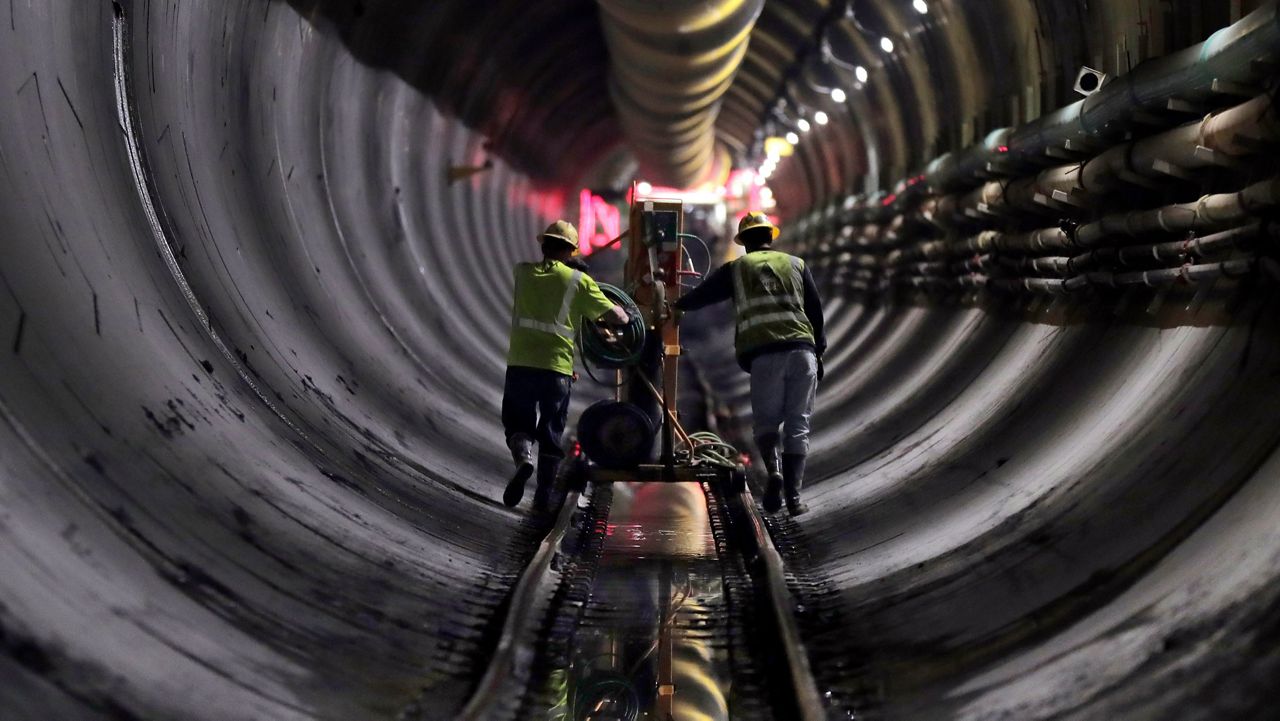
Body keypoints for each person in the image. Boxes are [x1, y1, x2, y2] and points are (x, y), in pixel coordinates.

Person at [675, 212, 826, 515]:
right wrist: (818, 352)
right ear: (770, 237)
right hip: (802, 352)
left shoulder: (737, 269)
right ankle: (794, 499)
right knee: (798, 425)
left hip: (764, 354)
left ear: (744, 243)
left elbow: (703, 296)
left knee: (766, 424)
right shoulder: (797, 264)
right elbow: (816, 312)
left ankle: (774, 472)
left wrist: (674, 304)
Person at [503, 220, 628, 511]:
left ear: (544, 246)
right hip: (557, 369)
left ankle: (523, 456)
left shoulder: (522, 273)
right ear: (571, 251)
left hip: (521, 363)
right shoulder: (579, 282)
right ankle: (543, 497)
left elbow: (545, 278)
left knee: (517, 423)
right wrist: (628, 314)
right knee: (551, 431)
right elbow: (617, 318)